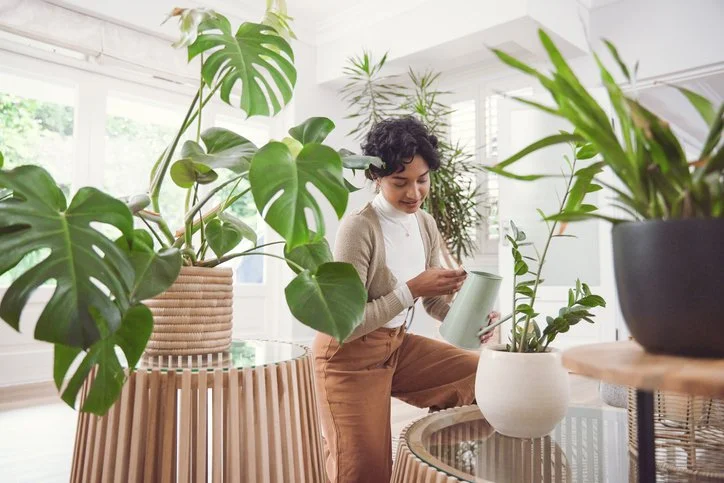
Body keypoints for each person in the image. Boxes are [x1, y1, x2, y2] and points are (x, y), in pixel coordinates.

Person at [312, 117, 499, 483]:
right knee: (365, 473)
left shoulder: (424, 224)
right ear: (376, 177)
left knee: (486, 382)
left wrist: (472, 319)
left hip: (396, 346)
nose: (414, 192)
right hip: (347, 356)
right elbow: (346, 324)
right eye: (400, 182)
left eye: (422, 179)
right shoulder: (359, 228)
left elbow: (431, 304)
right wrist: (412, 288)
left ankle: (433, 467)